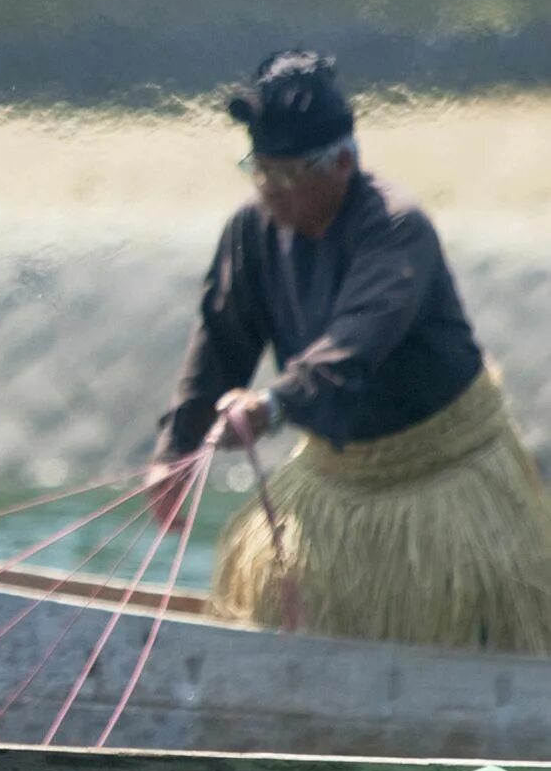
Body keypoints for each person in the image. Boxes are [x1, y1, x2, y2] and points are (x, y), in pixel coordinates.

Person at [146, 51, 551, 650]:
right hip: (339, 468)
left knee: (474, 616)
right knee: (263, 588)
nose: (269, 192)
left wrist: (271, 407)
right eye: (258, 170)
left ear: (340, 163)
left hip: (444, 466)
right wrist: (176, 451)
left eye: (286, 177)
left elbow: (352, 346)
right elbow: (220, 342)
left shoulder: (395, 228)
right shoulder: (251, 231)